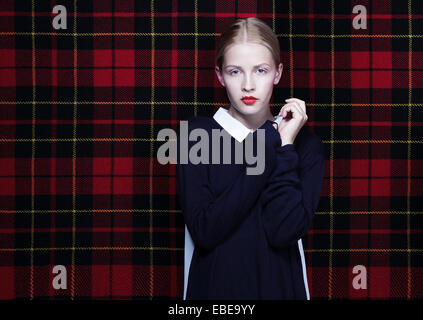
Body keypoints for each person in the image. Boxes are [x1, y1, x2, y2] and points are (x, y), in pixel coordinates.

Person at [176, 17, 325, 299]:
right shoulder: (197, 135)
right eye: (235, 72)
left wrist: (285, 145)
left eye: (260, 70)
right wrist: (271, 142)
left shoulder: (305, 145)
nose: (248, 84)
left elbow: (284, 231)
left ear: (278, 73)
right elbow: (206, 230)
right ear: (220, 75)